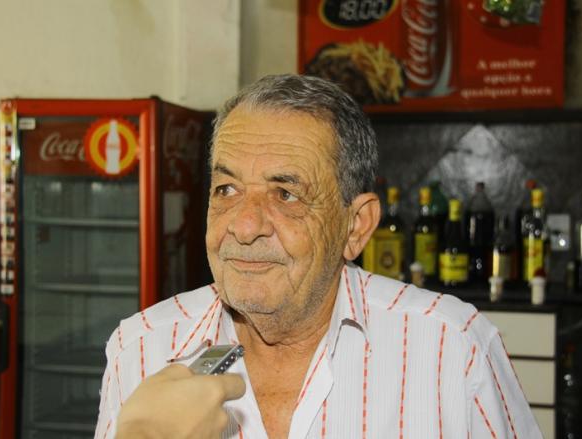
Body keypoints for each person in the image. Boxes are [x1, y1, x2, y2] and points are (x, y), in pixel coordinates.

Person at [95, 74, 542, 439]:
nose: (244, 227)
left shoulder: (452, 350)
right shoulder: (140, 351)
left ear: (356, 226)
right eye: (226, 189)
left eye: (286, 194)